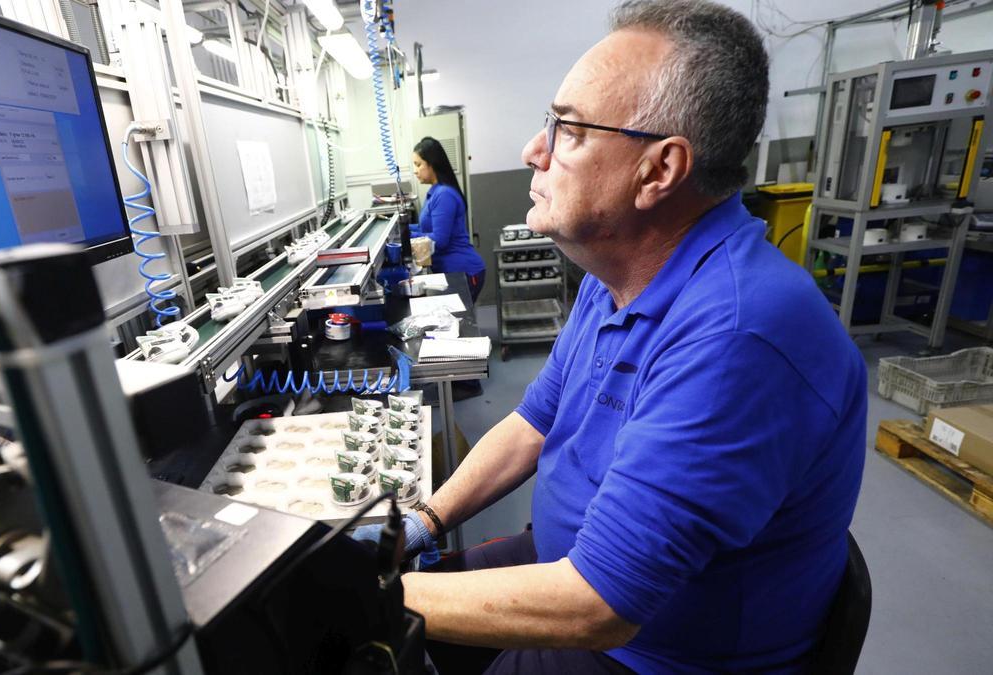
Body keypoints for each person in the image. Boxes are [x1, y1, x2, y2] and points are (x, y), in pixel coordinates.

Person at [357, 1, 867, 673]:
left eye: (567, 129)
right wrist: (425, 519)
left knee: (363, 636)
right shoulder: (617, 277)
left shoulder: (738, 335)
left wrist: (358, 595)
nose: (532, 151)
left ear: (658, 171)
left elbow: (601, 604)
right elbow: (534, 422)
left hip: (648, 651)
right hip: (569, 562)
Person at [411, 137, 486, 302]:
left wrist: (407, 239)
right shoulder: (435, 192)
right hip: (452, 270)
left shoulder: (444, 195)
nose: (415, 171)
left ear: (432, 164)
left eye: (418, 164)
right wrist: (407, 231)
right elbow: (426, 229)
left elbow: (440, 239)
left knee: (460, 323)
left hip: (463, 271)